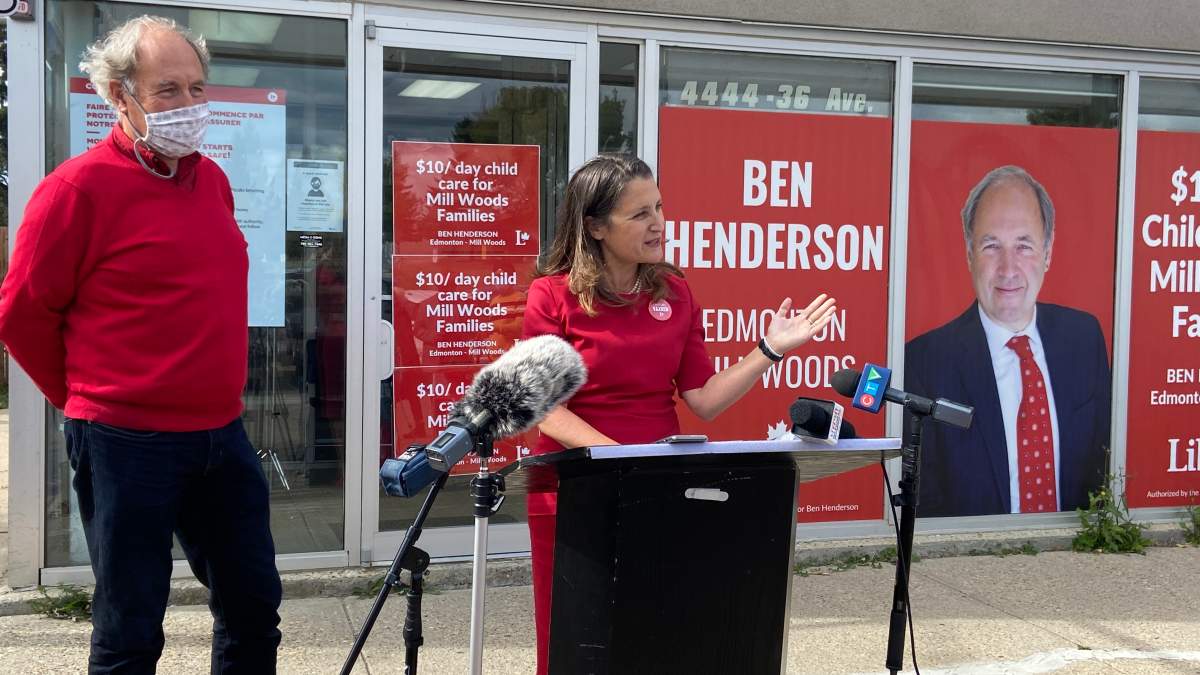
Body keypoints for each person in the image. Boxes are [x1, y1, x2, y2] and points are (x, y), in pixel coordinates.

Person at [0, 16, 282, 673]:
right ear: (119, 96)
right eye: (168, 91)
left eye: (198, 88)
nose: (190, 105)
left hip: (221, 434)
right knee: (131, 625)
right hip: (127, 441)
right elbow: (22, 315)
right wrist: (85, 401)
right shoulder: (76, 190)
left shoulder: (209, 180)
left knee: (253, 608)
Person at [521, 154, 836, 673]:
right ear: (596, 226)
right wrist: (622, 460)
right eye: (640, 214)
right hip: (573, 490)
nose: (658, 223)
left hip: (658, 490)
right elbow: (546, 410)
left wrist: (771, 349)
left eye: (659, 207)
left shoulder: (676, 291)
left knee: (658, 630)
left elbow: (704, 399)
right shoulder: (551, 295)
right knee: (575, 639)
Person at [904, 165, 1111, 518]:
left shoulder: (1084, 338)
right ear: (969, 253)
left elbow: (1103, 466)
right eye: (991, 246)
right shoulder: (926, 362)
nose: (1008, 269)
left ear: (1048, 252)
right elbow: (926, 503)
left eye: (1024, 246)